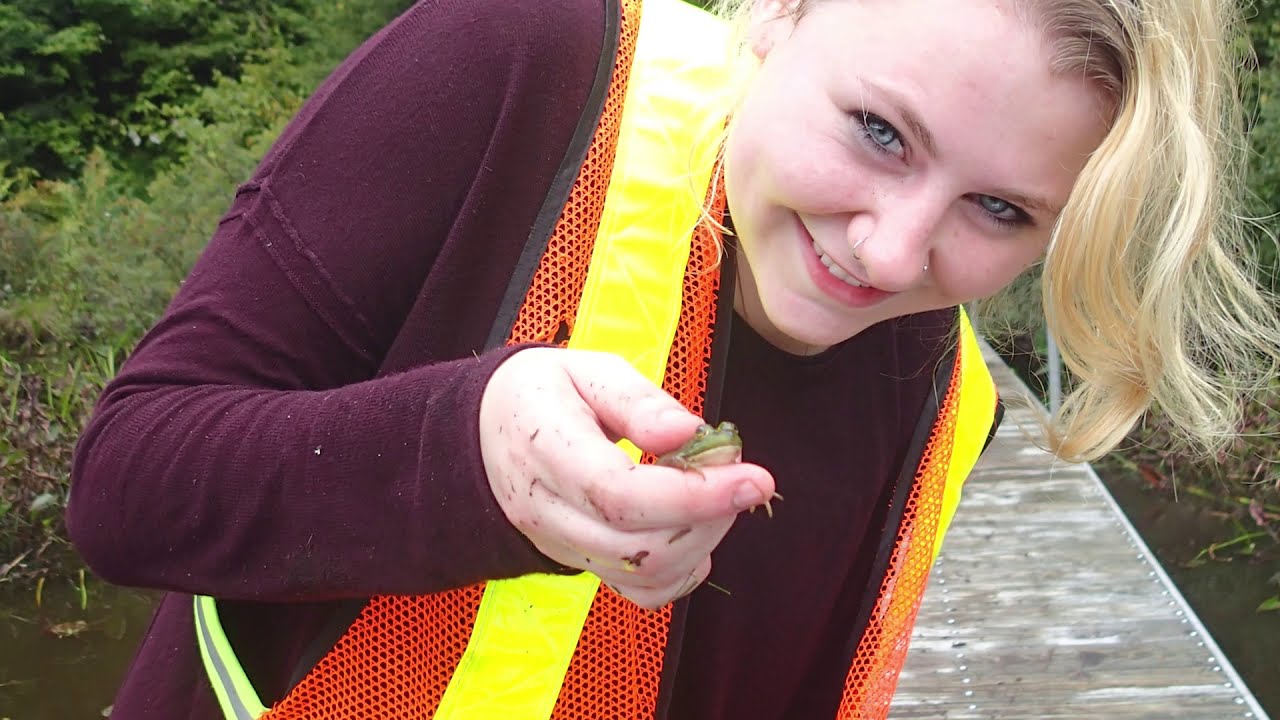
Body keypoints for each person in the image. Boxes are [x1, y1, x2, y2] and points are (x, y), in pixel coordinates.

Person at [67, 0, 1280, 718]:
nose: (889, 250)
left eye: (1000, 211)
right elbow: (123, 482)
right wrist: (465, 455)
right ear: (784, 13)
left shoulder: (950, 400)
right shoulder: (508, 59)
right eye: (876, 131)